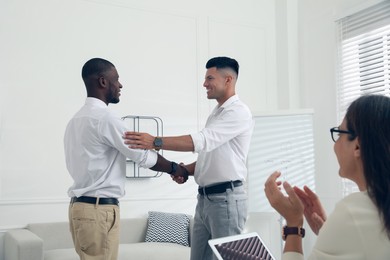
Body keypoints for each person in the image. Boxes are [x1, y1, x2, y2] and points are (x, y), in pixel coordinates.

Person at [123, 56, 254, 260]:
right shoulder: (217, 113)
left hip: (226, 200)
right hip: (204, 200)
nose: (204, 84)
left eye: (210, 78)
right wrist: (184, 170)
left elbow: (201, 141)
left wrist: (155, 141)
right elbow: (211, 157)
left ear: (228, 80)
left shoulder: (238, 112)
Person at [64, 57, 188, 260]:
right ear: (103, 82)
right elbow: (143, 155)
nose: (120, 85)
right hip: (98, 211)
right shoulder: (106, 118)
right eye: (117, 79)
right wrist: (176, 169)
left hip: (80, 208)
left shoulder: (75, 121)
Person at [264, 94, 390, 260]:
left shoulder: (353, 211)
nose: (335, 145)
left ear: (357, 146)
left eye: (339, 134)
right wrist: (329, 230)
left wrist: (293, 224)